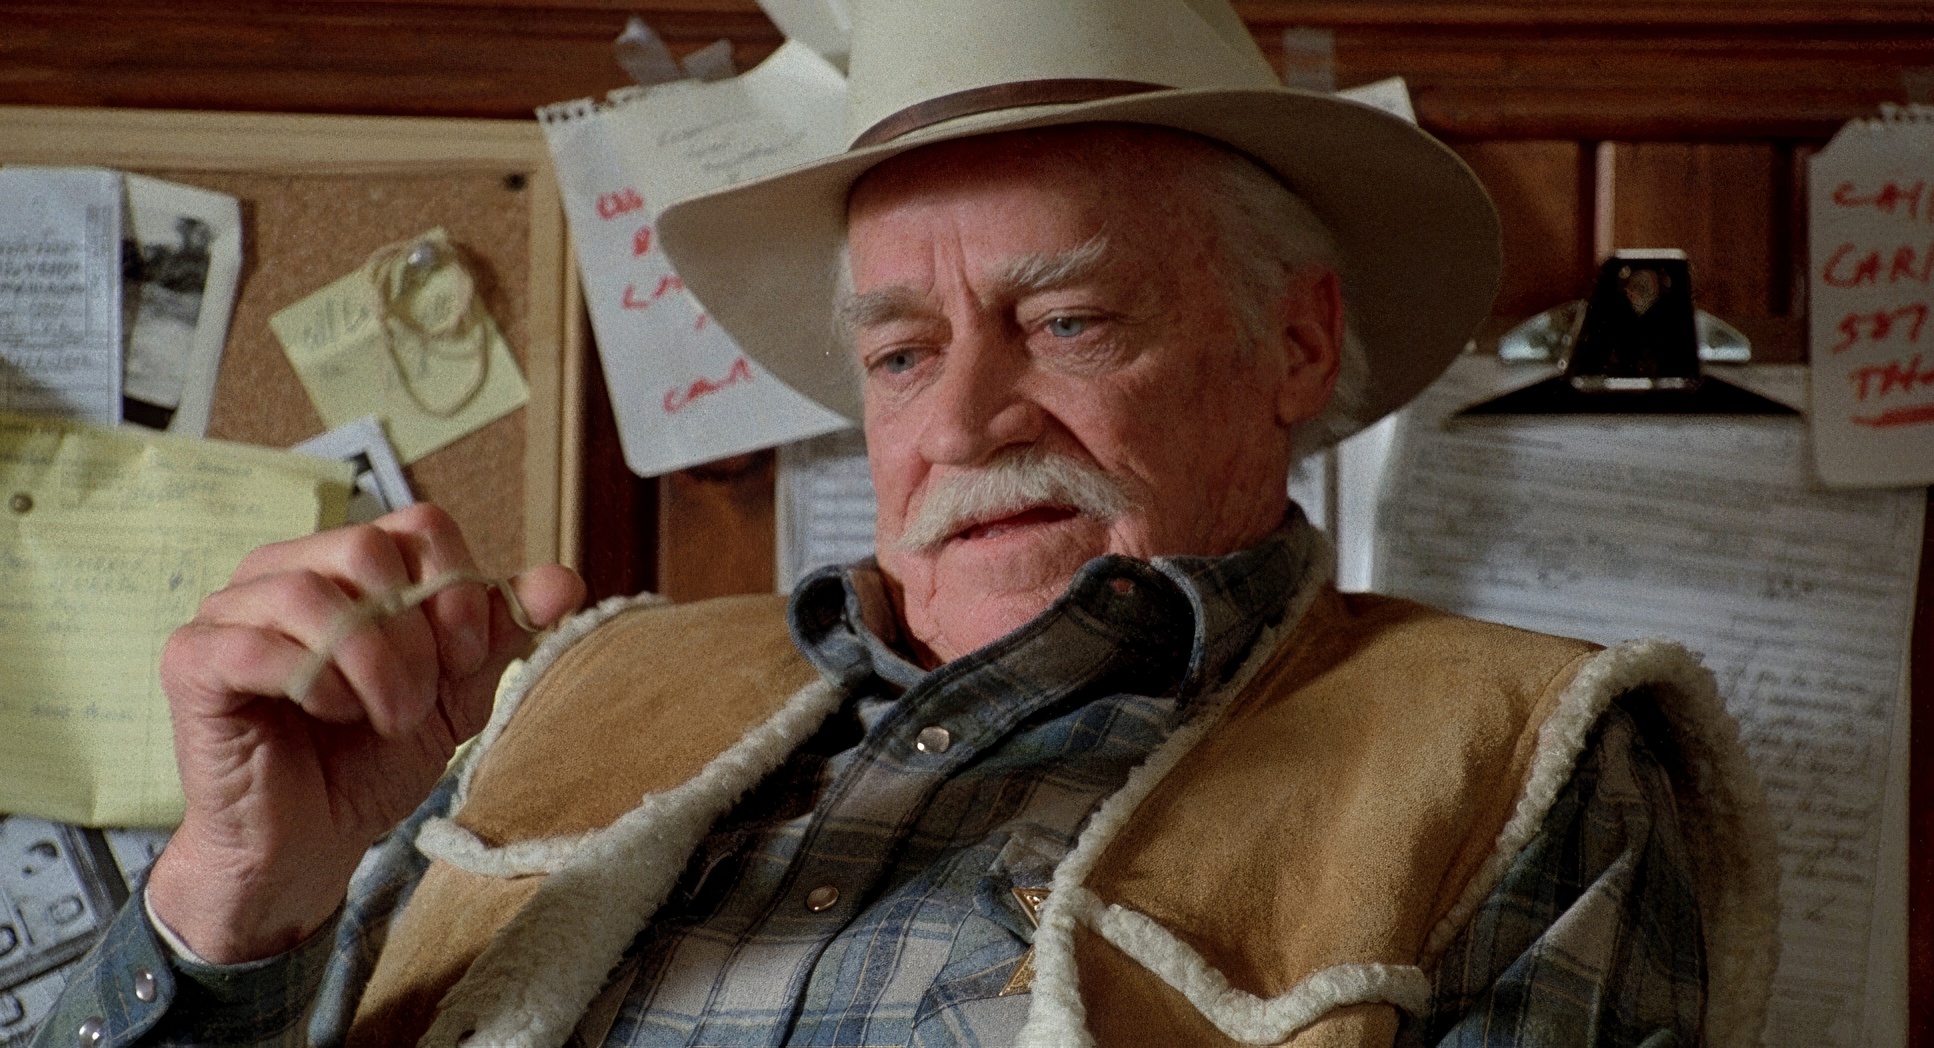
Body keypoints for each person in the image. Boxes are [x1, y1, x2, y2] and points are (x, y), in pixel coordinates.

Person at [35, 0, 1780, 1045]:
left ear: (1294, 344)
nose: (958, 424)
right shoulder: (563, 694)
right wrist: (237, 906)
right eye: (896, 353)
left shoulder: (1520, 753)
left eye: (1068, 321)